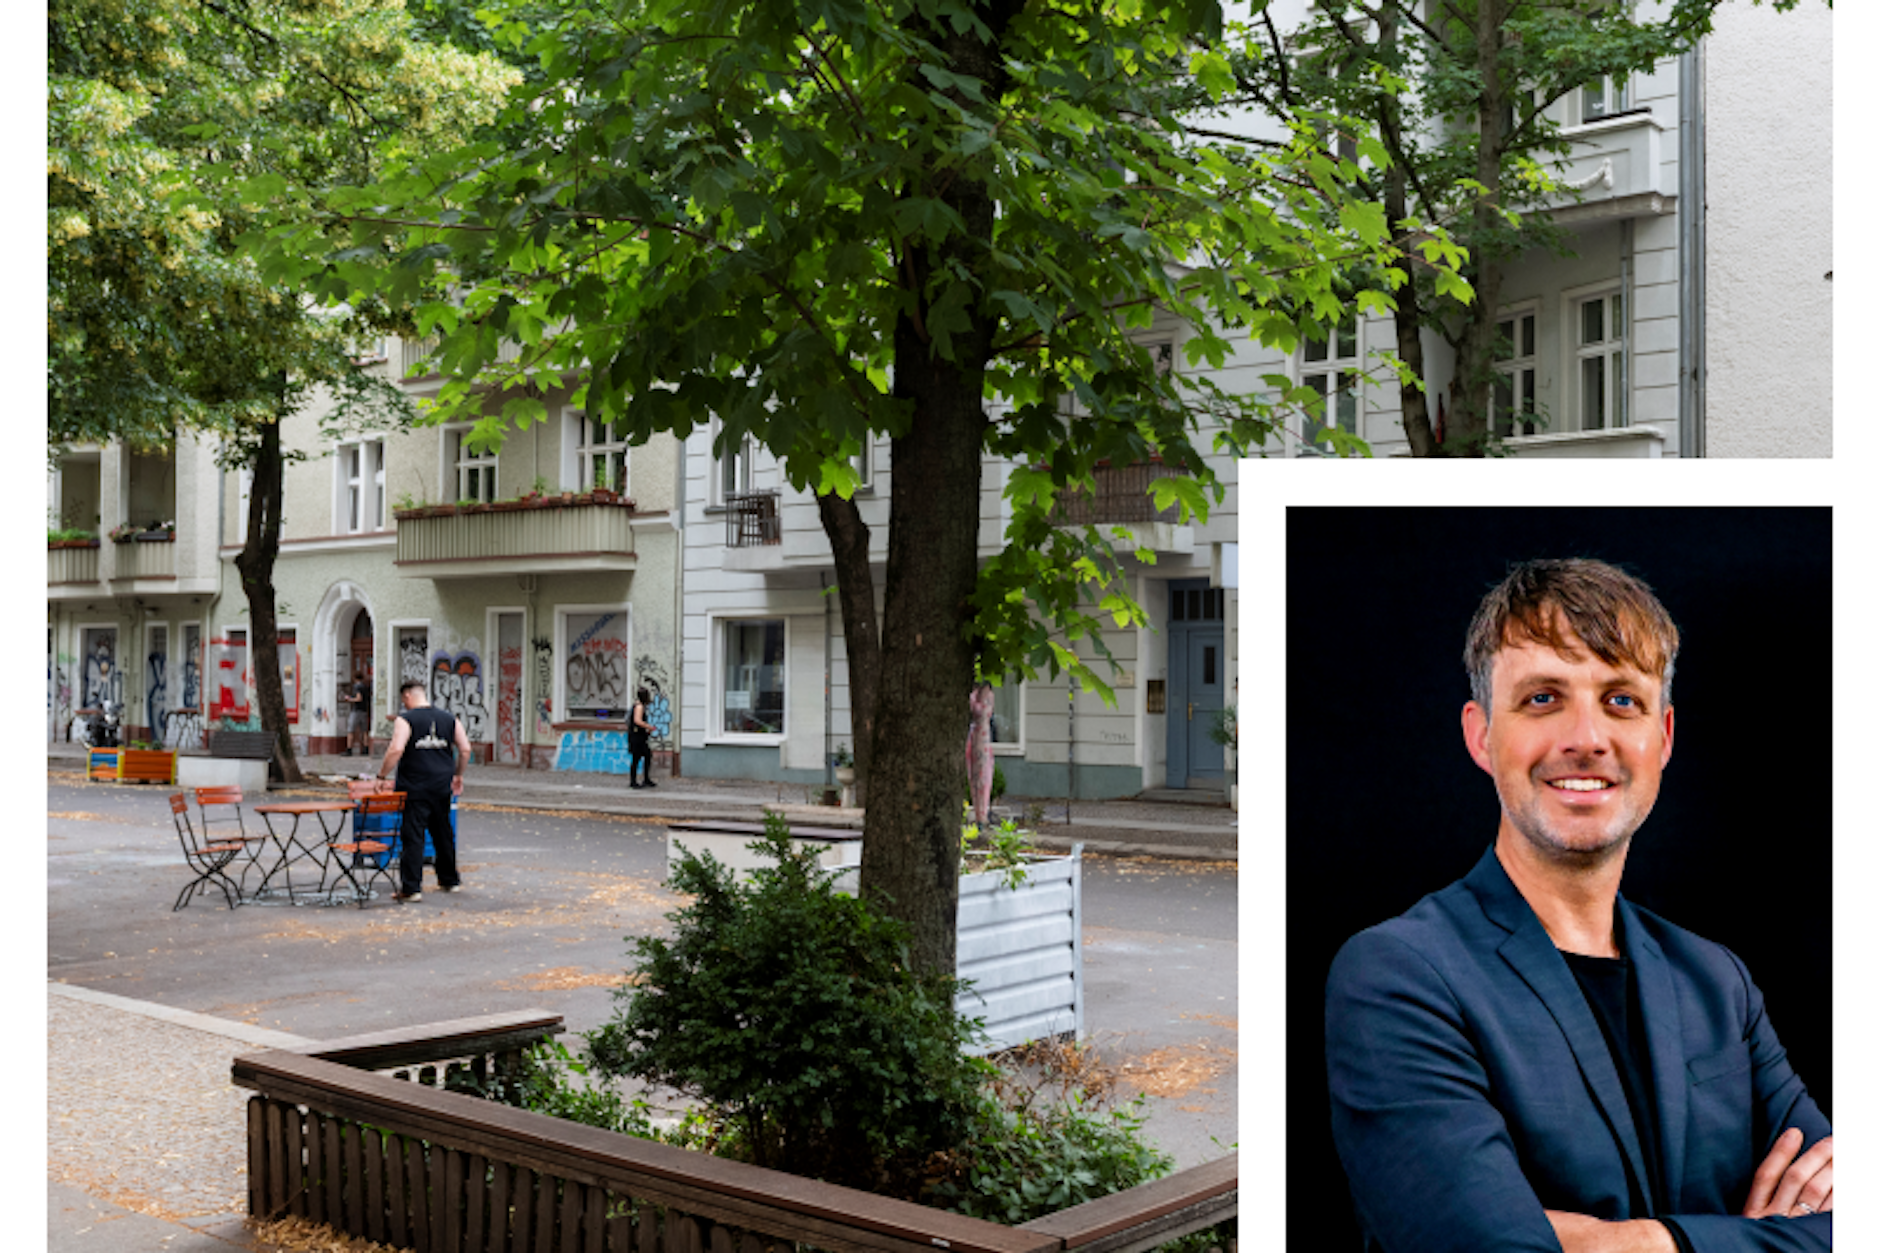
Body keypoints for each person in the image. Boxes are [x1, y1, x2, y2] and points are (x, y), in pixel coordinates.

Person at [1325, 559, 1831, 1253]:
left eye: (1622, 700)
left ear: (1664, 737)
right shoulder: (1398, 976)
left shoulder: (1719, 981)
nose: (1586, 737)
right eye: (1542, 698)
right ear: (1480, 735)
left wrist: (1638, 1242)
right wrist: (1747, 1237)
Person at [376, 679, 471, 902]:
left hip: (415, 787)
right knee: (442, 832)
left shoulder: (406, 719)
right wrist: (458, 774)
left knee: (413, 835)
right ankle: (449, 880)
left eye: (403, 700)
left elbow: (396, 748)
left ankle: (411, 887)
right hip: (441, 785)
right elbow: (465, 749)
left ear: (407, 696)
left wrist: (382, 775)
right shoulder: (450, 718)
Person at [966, 680, 994, 825]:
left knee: (983, 774)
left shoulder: (985, 695)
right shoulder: (977, 695)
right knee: (974, 776)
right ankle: (979, 814)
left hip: (981, 738)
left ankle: (982, 814)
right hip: (974, 737)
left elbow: (981, 712)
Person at [628, 686, 656, 789]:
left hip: (637, 736)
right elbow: (637, 720)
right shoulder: (639, 706)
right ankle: (634, 781)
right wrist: (648, 726)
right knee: (638, 758)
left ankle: (644, 779)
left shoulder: (637, 705)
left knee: (645, 755)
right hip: (637, 737)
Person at [345, 669, 371, 757]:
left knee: (350, 730)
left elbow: (359, 698)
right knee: (364, 731)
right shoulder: (365, 686)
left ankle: (349, 749)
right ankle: (366, 749)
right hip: (364, 710)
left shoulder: (357, 687)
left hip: (356, 711)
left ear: (354, 677)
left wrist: (350, 699)